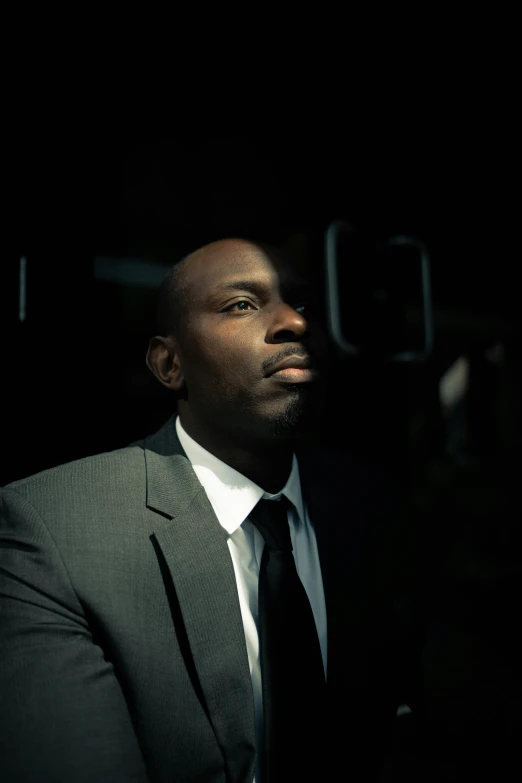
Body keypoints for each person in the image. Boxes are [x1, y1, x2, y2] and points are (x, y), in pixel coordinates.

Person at [0, 238, 412, 782]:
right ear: (170, 364)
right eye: (241, 304)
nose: (293, 322)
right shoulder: (51, 527)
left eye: (304, 305)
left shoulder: (370, 509)